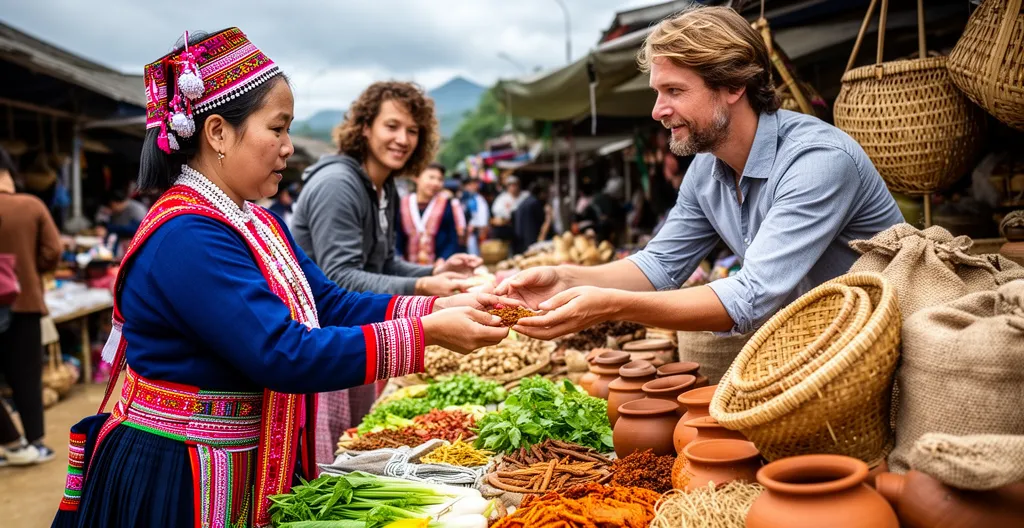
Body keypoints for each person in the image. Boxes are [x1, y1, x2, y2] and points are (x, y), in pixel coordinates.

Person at [51, 28, 512, 528]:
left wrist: (433, 309)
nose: (290, 147)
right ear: (218, 133)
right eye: (278, 128)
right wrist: (425, 334)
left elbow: (326, 302)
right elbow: (281, 352)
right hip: (179, 472)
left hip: (232, 459)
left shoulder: (254, 220)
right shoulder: (186, 235)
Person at [498, 7, 904, 342]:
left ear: (732, 85)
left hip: (878, 346)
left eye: (674, 91)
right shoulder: (706, 169)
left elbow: (751, 296)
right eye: (659, 93)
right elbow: (659, 266)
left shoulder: (816, 160)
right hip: (813, 343)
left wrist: (610, 304)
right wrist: (565, 278)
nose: (658, 111)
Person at [289, 82, 483, 461]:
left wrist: (436, 269)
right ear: (365, 127)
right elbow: (339, 277)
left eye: (413, 131)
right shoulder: (338, 185)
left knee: (357, 440)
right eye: (392, 126)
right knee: (330, 458)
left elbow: (383, 263)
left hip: (361, 329)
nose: (403, 139)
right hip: (327, 339)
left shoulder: (384, 187)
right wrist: (425, 285)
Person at [0, 145, 61, 466]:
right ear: (9, 173)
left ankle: (11, 440)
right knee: (26, 375)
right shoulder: (30, 205)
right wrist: (29, 269)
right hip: (24, 300)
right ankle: (34, 441)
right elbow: (53, 250)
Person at [397, 162, 466, 264]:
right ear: (416, 177)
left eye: (440, 179)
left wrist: (443, 259)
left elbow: (452, 238)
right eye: (431, 177)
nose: (436, 183)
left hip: (437, 266)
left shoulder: (446, 204)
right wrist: (398, 258)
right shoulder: (403, 204)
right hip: (406, 267)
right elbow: (396, 236)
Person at [511, 179, 553, 255]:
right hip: (531, 239)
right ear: (541, 193)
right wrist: (548, 217)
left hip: (521, 239)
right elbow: (542, 224)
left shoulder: (526, 201)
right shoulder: (535, 203)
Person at [460, 176, 490, 256]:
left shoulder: (478, 199)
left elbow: (481, 217)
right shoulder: (462, 198)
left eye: (472, 184)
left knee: (473, 252)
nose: (470, 187)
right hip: (463, 230)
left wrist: (478, 227)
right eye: (468, 185)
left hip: (474, 230)